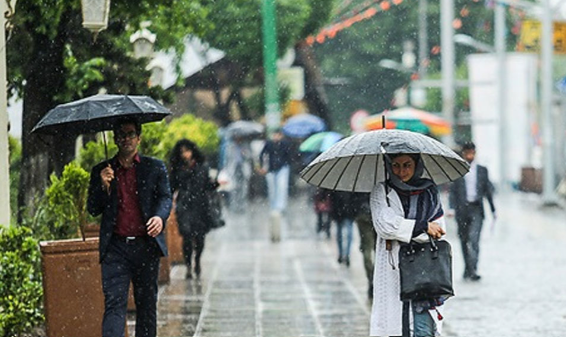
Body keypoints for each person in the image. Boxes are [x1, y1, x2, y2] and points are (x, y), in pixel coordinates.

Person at [87, 119, 172, 337]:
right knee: (115, 305)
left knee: (146, 307)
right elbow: (93, 209)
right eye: (122, 135)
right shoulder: (102, 170)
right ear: (115, 139)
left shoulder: (154, 167)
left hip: (145, 246)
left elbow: (165, 198)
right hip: (116, 249)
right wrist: (103, 186)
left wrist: (160, 218)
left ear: (139, 138)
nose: (126, 139)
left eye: (130, 134)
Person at [370, 153, 447, 337]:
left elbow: (439, 229)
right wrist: (423, 226)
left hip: (424, 269)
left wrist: (405, 229)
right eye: (395, 165)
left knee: (423, 327)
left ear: (416, 165)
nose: (401, 171)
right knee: (395, 324)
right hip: (393, 265)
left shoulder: (429, 191)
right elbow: (384, 225)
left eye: (407, 165)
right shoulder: (381, 191)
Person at [169, 139, 219, 279]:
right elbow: (172, 187)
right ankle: (189, 266)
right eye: (182, 152)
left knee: (200, 238)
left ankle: (197, 261)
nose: (186, 154)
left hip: (201, 206)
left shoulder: (202, 167)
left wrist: (216, 183)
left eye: (188, 151)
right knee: (186, 236)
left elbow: (207, 185)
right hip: (184, 207)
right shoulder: (177, 169)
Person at [449, 141, 496, 281]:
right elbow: (453, 192)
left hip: (476, 209)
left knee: (474, 240)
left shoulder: (482, 170)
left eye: (472, 153)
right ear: (463, 154)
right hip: (462, 210)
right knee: (464, 240)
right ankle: (467, 268)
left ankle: (473, 269)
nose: (470, 156)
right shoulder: (457, 170)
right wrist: (451, 208)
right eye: (467, 153)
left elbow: (488, 190)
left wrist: (493, 209)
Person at [258, 128, 293, 214]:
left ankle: (280, 206)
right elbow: (262, 154)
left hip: (282, 167)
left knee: (281, 187)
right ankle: (273, 205)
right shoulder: (269, 143)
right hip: (271, 168)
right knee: (272, 188)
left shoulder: (285, 144)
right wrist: (262, 166)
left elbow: (289, 155)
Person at [353, 192, 376, 299]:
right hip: (376, 216)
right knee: (378, 251)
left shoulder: (359, 181)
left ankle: (371, 278)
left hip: (364, 215)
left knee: (367, 250)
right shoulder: (382, 179)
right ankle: (374, 278)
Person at [223, 135, 253, 213]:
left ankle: (242, 206)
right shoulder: (230, 146)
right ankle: (234, 206)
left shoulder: (245, 145)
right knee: (234, 188)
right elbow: (227, 158)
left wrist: (245, 153)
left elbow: (250, 156)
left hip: (243, 168)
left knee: (243, 188)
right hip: (233, 169)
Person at [329, 190, 357, 267]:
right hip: (344, 212)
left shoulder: (337, 185)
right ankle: (344, 254)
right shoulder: (352, 186)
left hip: (343, 212)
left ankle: (344, 254)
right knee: (346, 235)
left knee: (344, 235)